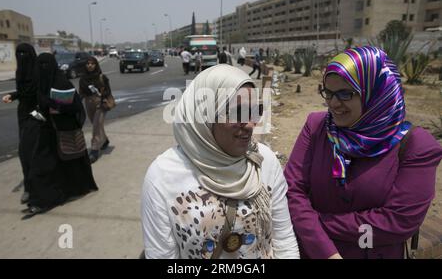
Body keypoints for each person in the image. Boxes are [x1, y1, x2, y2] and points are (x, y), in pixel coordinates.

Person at [284, 46, 442, 259]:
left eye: (345, 94)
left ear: (377, 91)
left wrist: (316, 225)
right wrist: (325, 249)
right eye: (328, 93)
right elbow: (293, 191)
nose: (333, 103)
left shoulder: (416, 145)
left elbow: (398, 222)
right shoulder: (317, 127)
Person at [141, 65, 300, 259]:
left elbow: (283, 240)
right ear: (204, 115)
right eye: (237, 113)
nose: (250, 124)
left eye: (255, 111)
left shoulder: (264, 161)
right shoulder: (163, 176)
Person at [21, 53, 98, 218]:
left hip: (63, 131)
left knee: (69, 164)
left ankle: (66, 192)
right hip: (46, 132)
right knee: (40, 166)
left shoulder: (62, 83)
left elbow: (74, 108)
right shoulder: (41, 84)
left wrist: (53, 104)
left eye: (45, 65)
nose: (42, 69)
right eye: (39, 65)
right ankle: (39, 201)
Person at [2, 43, 39, 204]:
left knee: (38, 150)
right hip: (24, 114)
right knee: (24, 151)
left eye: (25, 54)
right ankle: (30, 186)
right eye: (19, 54)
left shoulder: (39, 70)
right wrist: (13, 95)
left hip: (39, 114)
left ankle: (39, 186)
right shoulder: (20, 72)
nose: (22, 58)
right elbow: (24, 92)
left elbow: (38, 91)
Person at [79, 57, 112, 163]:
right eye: (88, 63)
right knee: (96, 124)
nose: (90, 65)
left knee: (96, 126)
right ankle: (105, 140)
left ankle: (94, 150)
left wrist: (101, 97)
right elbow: (81, 93)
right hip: (88, 103)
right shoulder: (83, 79)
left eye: (92, 63)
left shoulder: (102, 77)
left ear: (96, 65)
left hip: (100, 103)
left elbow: (107, 91)